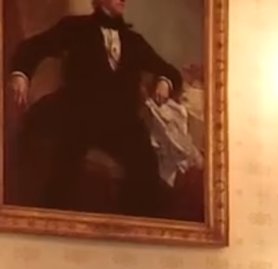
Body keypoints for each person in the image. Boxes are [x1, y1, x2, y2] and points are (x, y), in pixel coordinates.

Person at [5, 0, 182, 216]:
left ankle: (134, 230)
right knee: (64, 158)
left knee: (144, 162)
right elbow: (34, 47)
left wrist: (164, 80)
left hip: (120, 121)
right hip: (79, 112)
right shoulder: (75, 28)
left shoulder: (134, 40)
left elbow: (168, 70)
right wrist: (21, 74)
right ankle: (52, 221)